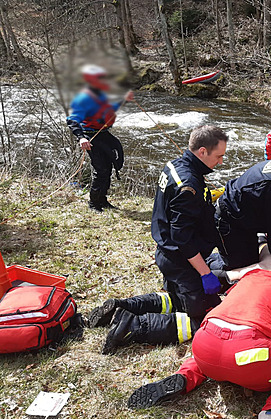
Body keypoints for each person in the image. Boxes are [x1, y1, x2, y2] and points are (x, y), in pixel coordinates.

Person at [127, 261, 271, 419]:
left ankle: (184, 377)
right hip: (251, 353)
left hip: (205, 340)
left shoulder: (252, 276)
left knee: (211, 354)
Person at [90, 125, 228, 354]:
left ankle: (122, 307)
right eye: (219, 156)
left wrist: (206, 197)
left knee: (175, 301)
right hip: (182, 259)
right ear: (202, 151)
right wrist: (205, 273)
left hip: (167, 254)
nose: (221, 162)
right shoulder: (189, 185)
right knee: (207, 318)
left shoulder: (175, 165)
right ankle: (131, 327)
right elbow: (182, 237)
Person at [66, 65, 133, 212]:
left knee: (108, 167)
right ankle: (94, 203)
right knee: (101, 170)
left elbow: (111, 107)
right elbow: (72, 120)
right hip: (90, 136)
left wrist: (124, 99)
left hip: (103, 133)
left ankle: (102, 200)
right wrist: (81, 138)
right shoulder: (83, 98)